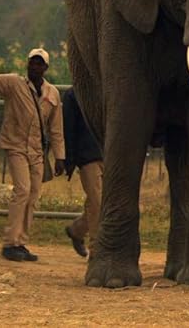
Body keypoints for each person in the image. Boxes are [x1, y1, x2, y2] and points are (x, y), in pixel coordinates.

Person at [0, 47, 65, 262]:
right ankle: (10, 243)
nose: (35, 66)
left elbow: (56, 129)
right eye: (33, 62)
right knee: (22, 190)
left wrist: (60, 156)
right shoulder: (14, 84)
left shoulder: (53, 94)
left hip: (37, 152)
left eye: (40, 63)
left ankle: (21, 242)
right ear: (27, 64)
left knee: (33, 196)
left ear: (46, 68)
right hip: (16, 146)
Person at [61, 87, 103, 258]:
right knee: (97, 201)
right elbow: (68, 128)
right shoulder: (73, 95)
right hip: (87, 156)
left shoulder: (108, 89)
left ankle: (77, 230)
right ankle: (96, 249)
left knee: (102, 203)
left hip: (108, 153)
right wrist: (69, 159)